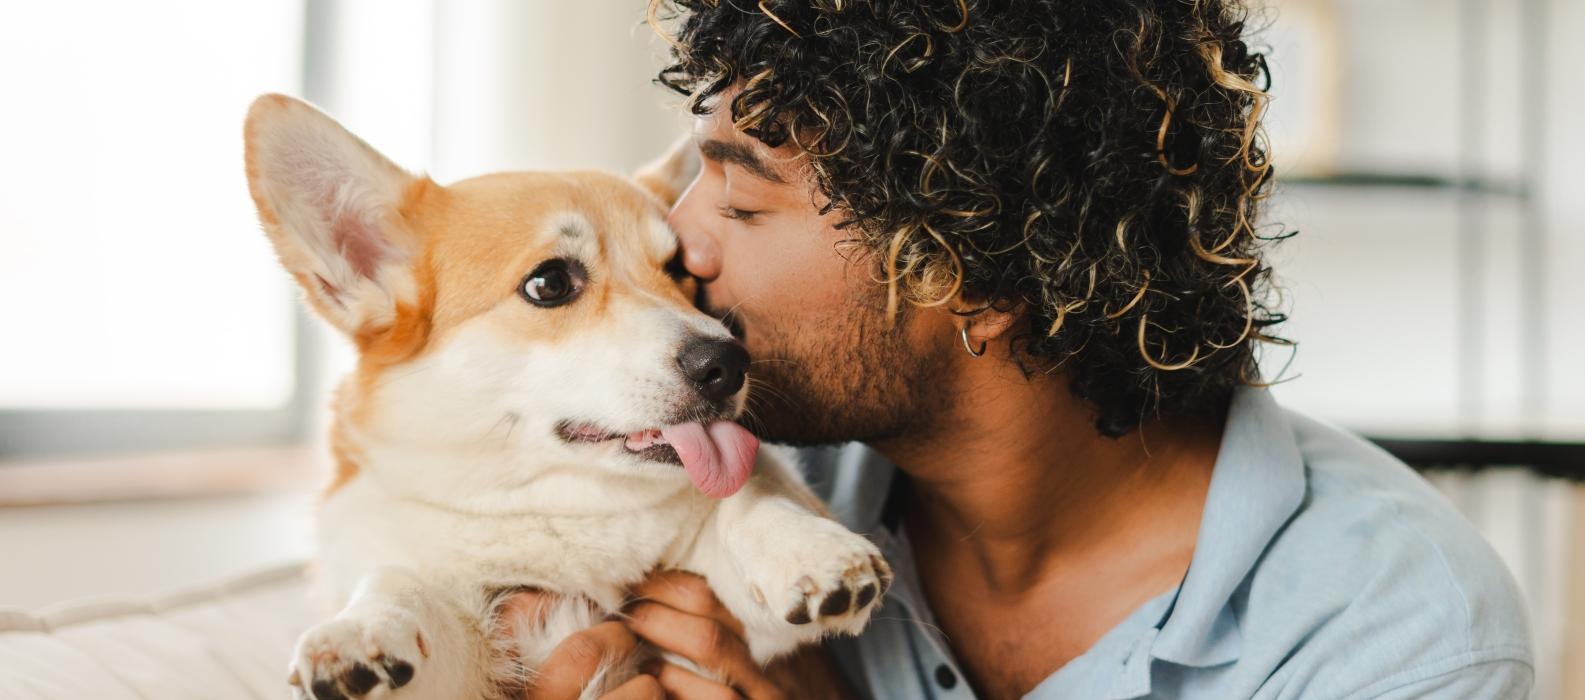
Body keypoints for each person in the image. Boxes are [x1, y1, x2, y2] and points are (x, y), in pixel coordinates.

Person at [520, 1, 1533, 697]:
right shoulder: (723, 476)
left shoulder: (1394, 627)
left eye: (742, 200)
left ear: (983, 277)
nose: (675, 236)